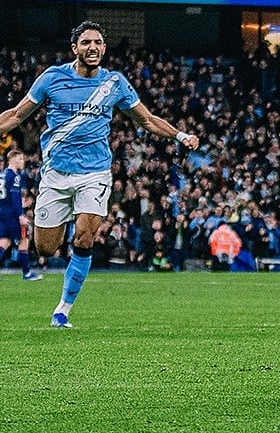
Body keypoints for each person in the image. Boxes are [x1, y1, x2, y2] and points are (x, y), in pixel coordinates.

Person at [0, 21, 199, 327]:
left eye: (97, 43)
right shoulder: (53, 78)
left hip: (94, 174)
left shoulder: (115, 83)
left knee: (84, 237)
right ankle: (66, 224)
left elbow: (146, 120)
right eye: (86, 42)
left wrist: (180, 136)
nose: (92, 47)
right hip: (55, 173)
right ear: (75, 48)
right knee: (46, 248)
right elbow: (15, 115)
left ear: (104, 48)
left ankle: (63, 309)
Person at [0, 150, 41, 280]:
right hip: (12, 214)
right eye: (20, 159)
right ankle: (27, 273)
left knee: (4, 242)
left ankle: (27, 273)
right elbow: (14, 197)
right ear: (13, 159)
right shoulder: (15, 176)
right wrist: (20, 215)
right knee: (24, 240)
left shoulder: (2, 174)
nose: (23, 162)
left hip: (2, 213)